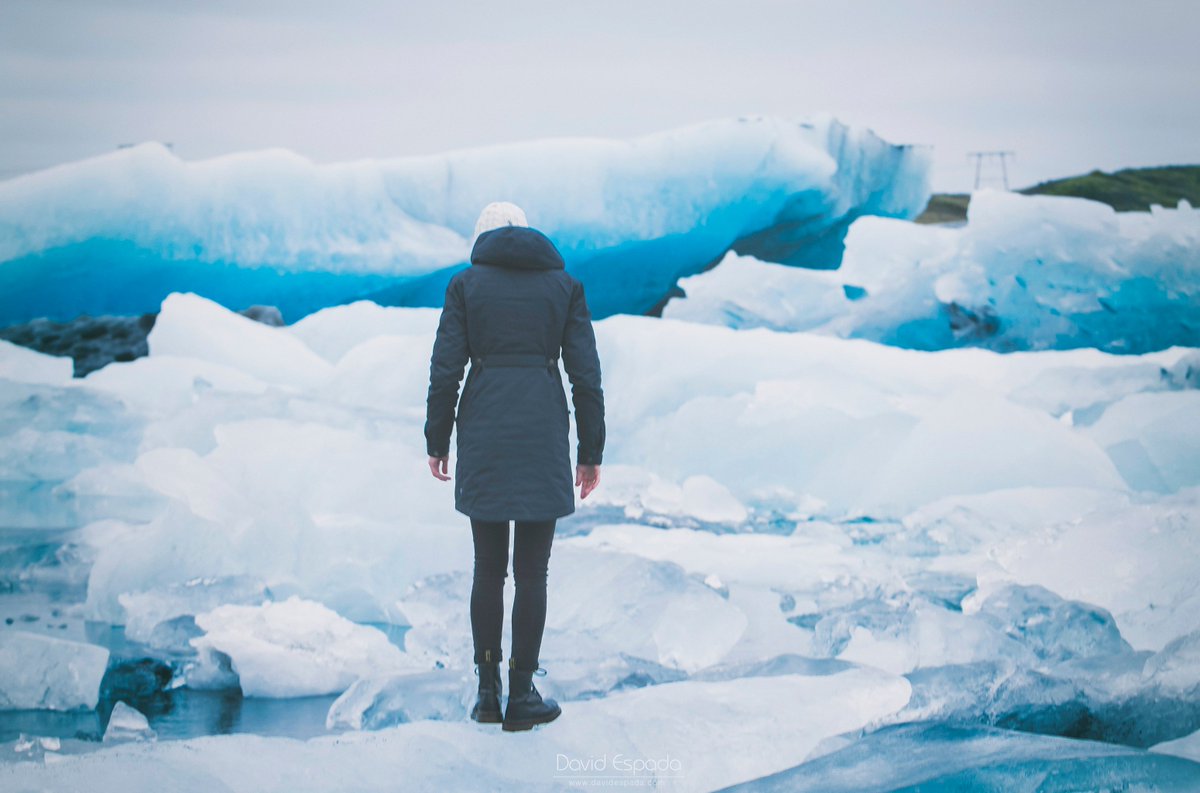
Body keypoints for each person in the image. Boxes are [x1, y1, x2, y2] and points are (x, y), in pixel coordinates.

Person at [424, 201, 605, 732]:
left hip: (483, 430)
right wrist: (590, 450)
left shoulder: (465, 286)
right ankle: (523, 694)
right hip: (542, 432)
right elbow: (586, 375)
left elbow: (444, 369)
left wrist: (438, 439)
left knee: (487, 567)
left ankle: (487, 692)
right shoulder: (563, 286)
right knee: (532, 572)